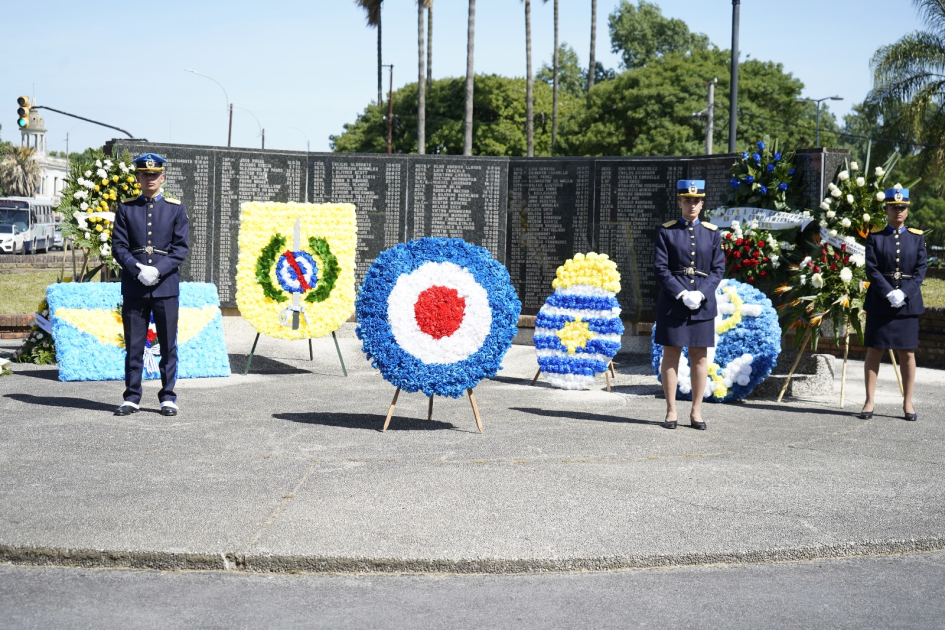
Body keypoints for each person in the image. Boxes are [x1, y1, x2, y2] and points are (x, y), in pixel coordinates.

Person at [111, 153, 190, 417]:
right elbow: (119, 247)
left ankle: (168, 397)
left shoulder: (175, 208)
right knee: (134, 344)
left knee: (168, 345)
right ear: (138, 178)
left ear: (162, 177)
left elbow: (180, 249)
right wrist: (137, 268)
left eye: (154, 175)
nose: (150, 179)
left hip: (165, 286)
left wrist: (157, 269)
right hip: (135, 286)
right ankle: (132, 397)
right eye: (145, 175)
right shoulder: (126, 209)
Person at [653, 180, 725, 430]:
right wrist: (681, 293)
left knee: (699, 357)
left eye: (696, 201)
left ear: (702, 204)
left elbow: (718, 269)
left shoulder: (712, 233)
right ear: (680, 203)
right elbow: (660, 268)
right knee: (671, 354)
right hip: (674, 303)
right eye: (687, 200)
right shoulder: (667, 231)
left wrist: (702, 294)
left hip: (702, 304)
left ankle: (696, 411)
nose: (691, 204)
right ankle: (671, 410)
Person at [859, 185, 926, 421]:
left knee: (907, 353)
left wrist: (904, 293)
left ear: (907, 211)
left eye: (902, 208)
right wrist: (888, 292)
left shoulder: (917, 238)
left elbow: (920, 271)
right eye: (893, 207)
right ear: (886, 209)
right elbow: (872, 269)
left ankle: (908, 403)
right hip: (880, 300)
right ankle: (869, 401)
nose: (898, 211)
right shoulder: (875, 237)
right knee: (874, 350)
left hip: (907, 305)